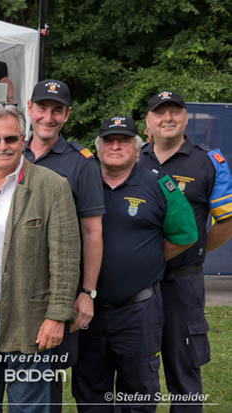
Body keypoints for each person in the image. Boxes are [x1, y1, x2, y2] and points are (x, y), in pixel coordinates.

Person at [0, 104, 81, 412]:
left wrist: (57, 316)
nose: (2, 147)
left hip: (30, 317)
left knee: (28, 408)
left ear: (24, 139)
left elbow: (65, 257)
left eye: (10, 139)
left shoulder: (52, 186)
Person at [72, 116, 198, 412]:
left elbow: (186, 235)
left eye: (124, 140)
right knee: (90, 392)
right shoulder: (81, 183)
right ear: (99, 146)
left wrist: (150, 258)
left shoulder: (160, 184)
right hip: (88, 308)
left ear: (138, 146)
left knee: (139, 392)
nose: (116, 146)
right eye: (109, 140)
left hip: (138, 310)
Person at [138, 91, 232, 412]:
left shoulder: (209, 161)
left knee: (184, 374)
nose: (168, 118)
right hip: (137, 284)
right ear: (148, 121)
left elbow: (226, 222)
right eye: (160, 113)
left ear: (185, 117)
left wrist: (194, 248)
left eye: (175, 112)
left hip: (183, 283)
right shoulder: (132, 158)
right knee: (136, 372)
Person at [24, 79, 105, 411]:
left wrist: (87, 292)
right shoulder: (9, 151)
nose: (48, 117)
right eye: (42, 108)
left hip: (55, 292)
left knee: (46, 383)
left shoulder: (80, 162)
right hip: (9, 289)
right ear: (29, 109)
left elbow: (92, 232)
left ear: (67, 115)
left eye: (57, 110)